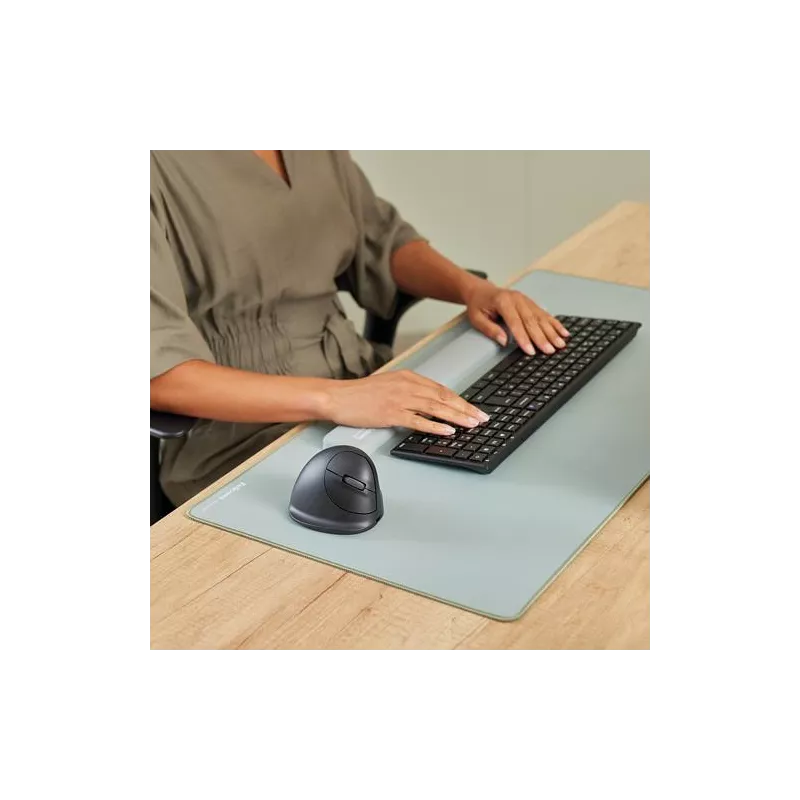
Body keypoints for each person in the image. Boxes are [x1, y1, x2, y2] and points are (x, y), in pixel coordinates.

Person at [149, 148, 570, 505]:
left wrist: (473, 289)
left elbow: (380, 240)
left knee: (510, 458)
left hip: (361, 377)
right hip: (237, 431)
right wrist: (334, 399)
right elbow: (159, 376)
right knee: (433, 509)